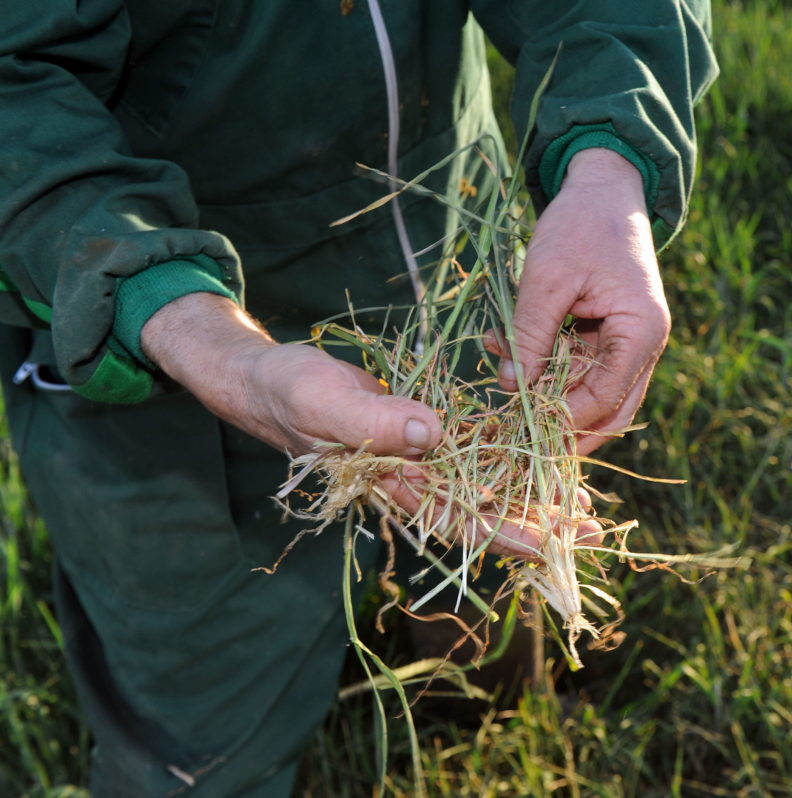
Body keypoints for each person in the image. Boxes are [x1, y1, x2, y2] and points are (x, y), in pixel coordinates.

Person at [0, 1, 717, 795]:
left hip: (454, 270)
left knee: (484, 562)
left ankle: (482, 715)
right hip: (169, 345)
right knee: (203, 720)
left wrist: (607, 164)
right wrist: (194, 336)